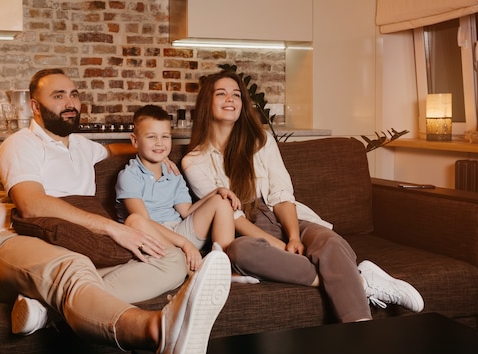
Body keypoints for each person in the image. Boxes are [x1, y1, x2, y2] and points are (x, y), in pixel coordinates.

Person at [0, 68, 231, 354]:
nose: (70, 102)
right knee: (73, 265)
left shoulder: (81, 147)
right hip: (3, 246)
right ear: (35, 107)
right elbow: (32, 204)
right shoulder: (20, 145)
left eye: (74, 94)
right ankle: (159, 331)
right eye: (58, 95)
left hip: (70, 245)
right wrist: (111, 228)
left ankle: (50, 308)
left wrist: (159, 157)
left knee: (171, 259)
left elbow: (116, 150)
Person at [181, 69, 423, 323]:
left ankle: (360, 328)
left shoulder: (260, 140)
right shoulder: (194, 162)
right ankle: (361, 281)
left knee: (330, 242)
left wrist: (294, 236)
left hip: (283, 216)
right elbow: (234, 217)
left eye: (236, 95)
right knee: (240, 252)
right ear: (207, 102)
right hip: (249, 231)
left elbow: (281, 193)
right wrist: (281, 247)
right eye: (221, 94)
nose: (230, 99)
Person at [115, 104, 239, 272]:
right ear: (135, 140)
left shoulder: (172, 173)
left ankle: (223, 267)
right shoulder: (129, 176)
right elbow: (143, 222)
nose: (159, 143)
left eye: (165, 137)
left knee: (222, 201)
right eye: (151, 137)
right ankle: (193, 270)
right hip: (152, 239)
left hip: (179, 232)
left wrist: (215, 193)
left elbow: (187, 211)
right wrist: (184, 244)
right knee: (139, 223)